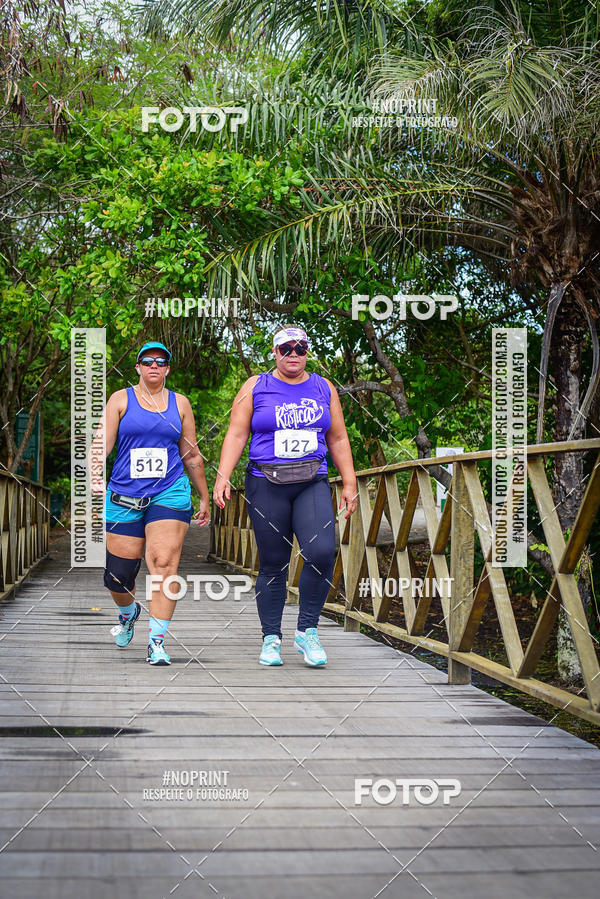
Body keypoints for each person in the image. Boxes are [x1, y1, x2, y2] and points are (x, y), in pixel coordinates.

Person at [213, 324, 357, 667]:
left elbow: (337, 438)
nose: (293, 354)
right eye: (285, 348)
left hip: (312, 480)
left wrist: (349, 482)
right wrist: (223, 475)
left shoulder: (323, 388)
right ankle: (271, 638)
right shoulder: (255, 386)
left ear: (308, 351)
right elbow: (236, 434)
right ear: (274, 353)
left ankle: (307, 631)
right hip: (265, 482)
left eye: (300, 348)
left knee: (322, 553)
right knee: (274, 562)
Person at [93, 341, 210, 665]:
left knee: (162, 563)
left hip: (169, 491)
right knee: (117, 577)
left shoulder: (180, 404)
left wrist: (203, 495)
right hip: (123, 495)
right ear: (139, 368)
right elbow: (100, 445)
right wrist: (93, 481)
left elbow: (190, 453)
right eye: (148, 361)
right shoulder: (121, 399)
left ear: (168, 368)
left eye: (161, 361)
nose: (154, 366)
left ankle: (156, 641)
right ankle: (128, 613)